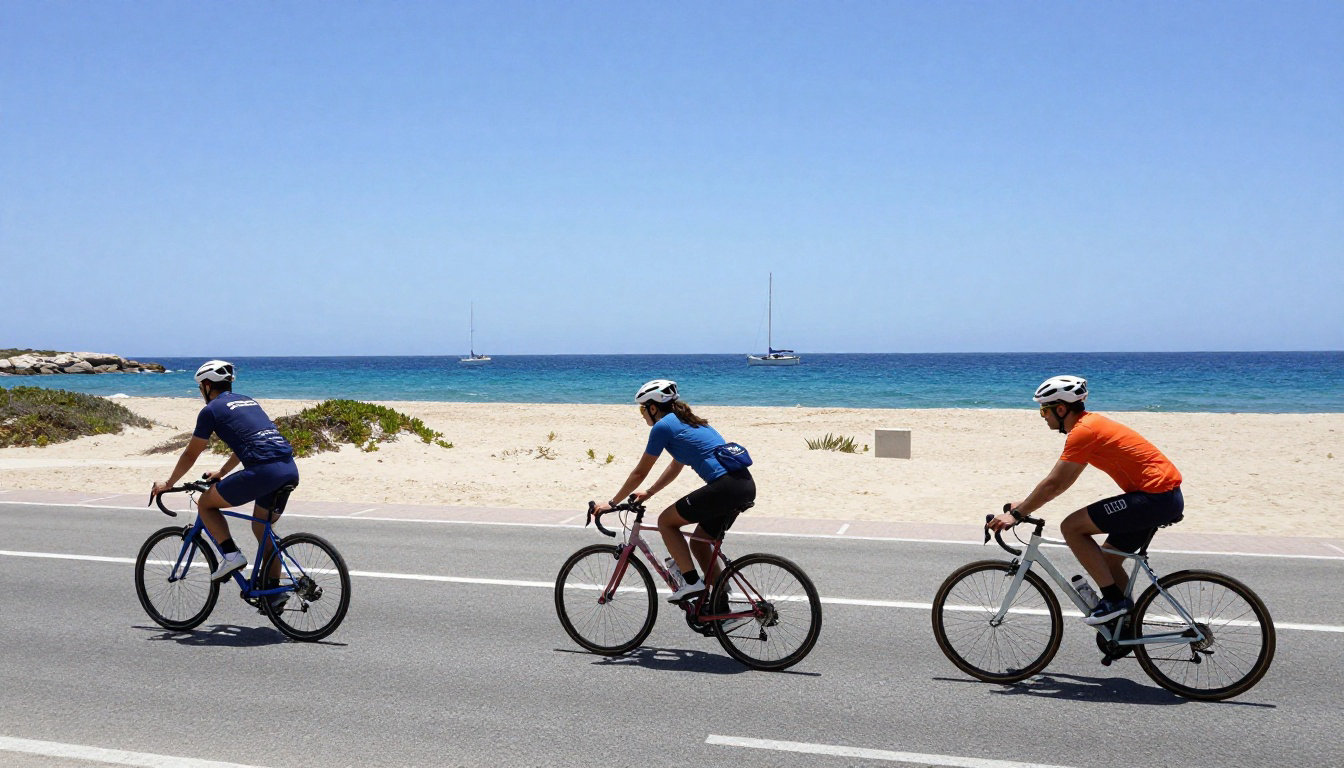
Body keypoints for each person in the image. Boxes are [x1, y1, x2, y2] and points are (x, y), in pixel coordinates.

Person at [988, 375, 1183, 625]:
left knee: (1071, 527)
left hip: (1154, 497)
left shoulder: (1084, 432)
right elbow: (1064, 481)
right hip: (1162, 497)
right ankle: (1126, 629)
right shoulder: (1090, 427)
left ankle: (1114, 601)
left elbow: (1054, 484)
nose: (1043, 416)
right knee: (1108, 563)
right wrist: (1024, 506)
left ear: (1061, 409)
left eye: (1043, 411)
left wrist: (1016, 515)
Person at [151, 360, 300, 608]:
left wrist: (168, 483)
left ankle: (231, 555)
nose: (201, 393)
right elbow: (253, 442)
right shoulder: (249, 402)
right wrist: (222, 471)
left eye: (201, 388)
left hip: (263, 472)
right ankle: (273, 593)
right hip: (288, 469)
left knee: (206, 504)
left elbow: (191, 453)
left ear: (207, 385)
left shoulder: (211, 411)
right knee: (262, 529)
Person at [592, 379, 755, 603]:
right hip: (743, 485)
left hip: (725, 487)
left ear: (652, 407)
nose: (642, 415)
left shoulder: (663, 427)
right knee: (699, 542)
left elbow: (640, 472)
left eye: (642, 410)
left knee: (666, 522)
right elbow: (676, 465)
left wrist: (612, 503)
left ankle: (691, 583)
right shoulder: (690, 422)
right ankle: (720, 606)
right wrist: (648, 493)